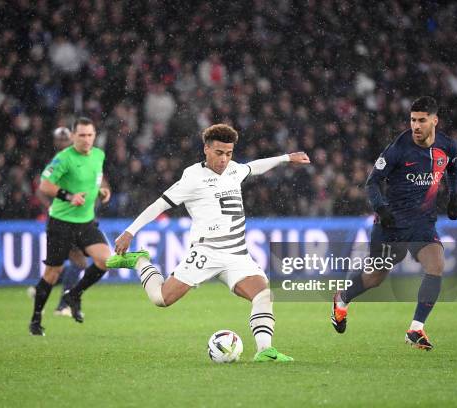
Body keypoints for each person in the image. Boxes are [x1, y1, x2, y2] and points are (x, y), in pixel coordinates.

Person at [106, 124, 310, 362]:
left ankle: (264, 351)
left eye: (229, 153)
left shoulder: (234, 170)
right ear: (206, 149)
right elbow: (159, 205)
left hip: (237, 254)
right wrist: (130, 232)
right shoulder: (192, 177)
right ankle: (140, 262)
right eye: (219, 153)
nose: (224, 159)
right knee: (161, 299)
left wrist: (286, 158)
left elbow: (254, 167)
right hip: (206, 251)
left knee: (264, 294)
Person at [331, 96, 457, 350]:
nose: (416, 126)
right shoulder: (399, 148)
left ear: (434, 120)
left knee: (436, 265)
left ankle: (416, 329)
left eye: (421, 120)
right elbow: (372, 182)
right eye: (412, 120)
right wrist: (381, 208)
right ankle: (342, 299)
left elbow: (454, 169)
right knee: (375, 278)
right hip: (391, 225)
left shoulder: (448, 146)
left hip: (423, 224)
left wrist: (454, 195)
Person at [29, 117, 112, 336]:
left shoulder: (98, 155)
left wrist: (101, 191)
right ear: (73, 136)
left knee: (105, 260)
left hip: (85, 223)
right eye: (82, 135)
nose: (86, 139)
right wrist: (69, 196)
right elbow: (44, 185)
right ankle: (36, 319)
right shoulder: (63, 158)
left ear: (94, 135)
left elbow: (94, 180)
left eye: (90, 135)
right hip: (61, 224)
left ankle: (73, 294)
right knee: (52, 273)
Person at [29, 127, 88, 317]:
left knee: (62, 265)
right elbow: (42, 187)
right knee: (77, 263)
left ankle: (41, 289)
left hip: (72, 218)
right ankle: (63, 304)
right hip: (65, 219)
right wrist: (53, 207)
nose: (63, 142)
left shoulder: (68, 159)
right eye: (60, 140)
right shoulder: (61, 161)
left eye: (65, 139)